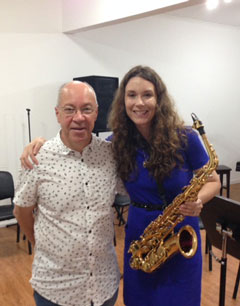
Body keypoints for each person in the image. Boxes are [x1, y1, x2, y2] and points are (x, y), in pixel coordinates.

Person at [20, 66, 221, 306]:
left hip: (180, 231)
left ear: (159, 99)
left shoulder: (185, 137)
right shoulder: (116, 144)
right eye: (131, 95)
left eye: (147, 94)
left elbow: (213, 181)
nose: (139, 102)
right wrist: (40, 143)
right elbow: (75, 146)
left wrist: (198, 200)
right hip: (140, 233)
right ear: (122, 101)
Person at [14, 81, 126, 306]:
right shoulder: (38, 158)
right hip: (56, 290)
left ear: (96, 113)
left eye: (86, 109)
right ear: (57, 114)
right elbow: (21, 212)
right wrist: (44, 248)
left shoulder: (110, 155)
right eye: (69, 109)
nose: (78, 117)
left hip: (104, 287)